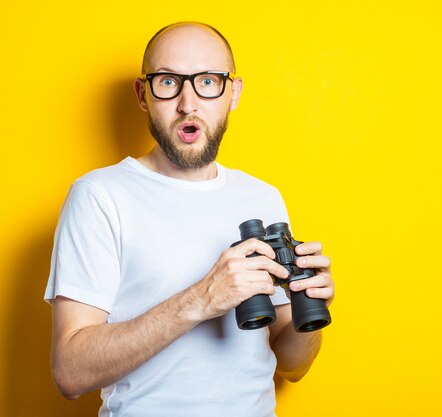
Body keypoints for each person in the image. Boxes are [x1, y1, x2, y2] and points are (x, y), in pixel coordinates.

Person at [44, 22, 334, 417]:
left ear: (233, 93)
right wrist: (201, 299)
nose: (188, 103)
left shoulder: (263, 197)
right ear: (143, 94)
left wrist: (310, 308)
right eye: (168, 82)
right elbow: (70, 372)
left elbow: (292, 366)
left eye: (209, 81)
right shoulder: (99, 196)